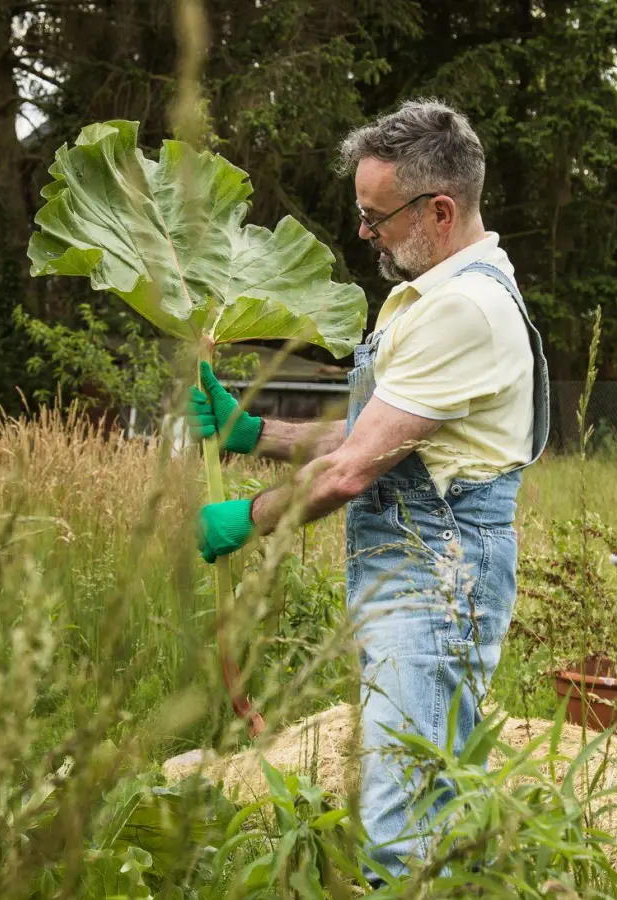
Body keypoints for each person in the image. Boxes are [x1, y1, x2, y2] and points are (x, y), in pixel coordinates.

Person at [189, 99, 549, 878]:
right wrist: (255, 434)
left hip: (438, 575)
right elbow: (376, 439)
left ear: (441, 210)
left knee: (401, 819)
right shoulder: (431, 293)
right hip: (415, 571)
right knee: (426, 792)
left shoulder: (464, 308)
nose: (365, 233)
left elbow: (353, 471)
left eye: (374, 216)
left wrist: (246, 517)